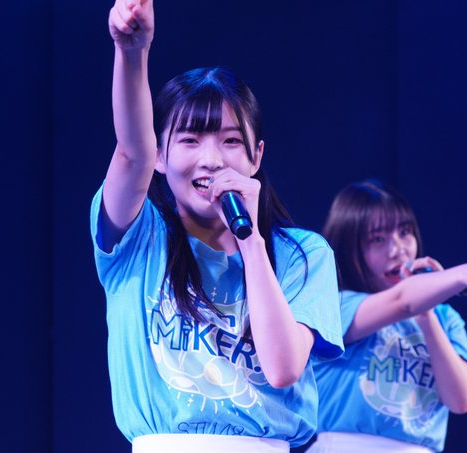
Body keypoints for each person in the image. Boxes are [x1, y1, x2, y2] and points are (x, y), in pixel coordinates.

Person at [91, 1, 343, 451]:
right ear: (160, 156)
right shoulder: (140, 239)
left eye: (230, 141)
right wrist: (132, 52)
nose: (211, 159)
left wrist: (251, 242)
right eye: (190, 140)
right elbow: (131, 153)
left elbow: (283, 368)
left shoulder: (303, 255)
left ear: (256, 156)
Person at [307, 180, 467, 453]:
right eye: (377, 239)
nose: (398, 249)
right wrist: (464, 274)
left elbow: (460, 401)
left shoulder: (445, 318)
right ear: (349, 250)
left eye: (404, 232)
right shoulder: (337, 306)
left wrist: (427, 313)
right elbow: (403, 301)